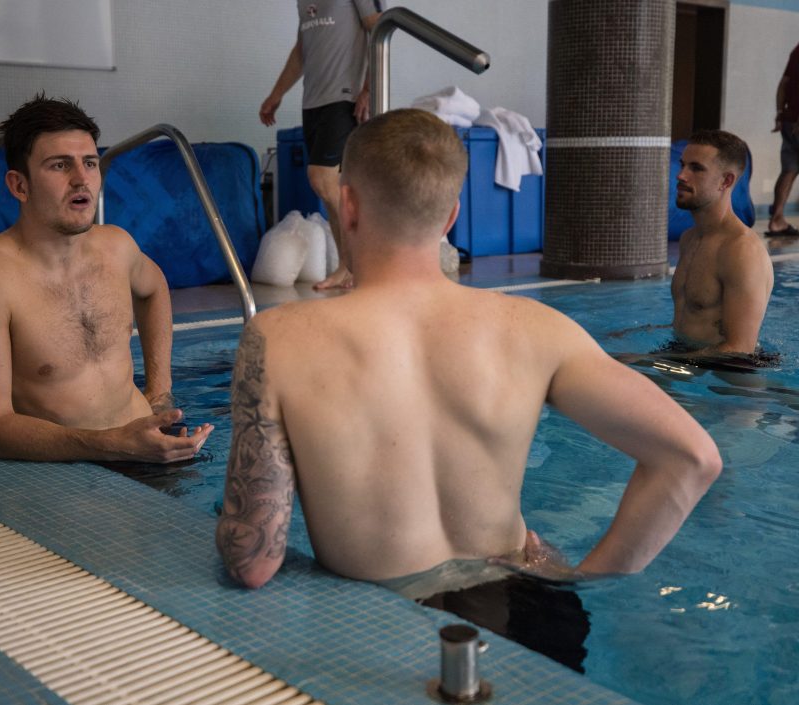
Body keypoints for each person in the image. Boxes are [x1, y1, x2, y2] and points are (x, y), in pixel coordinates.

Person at [216, 110, 722, 665]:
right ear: (452, 214)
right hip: (525, 614)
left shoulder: (279, 338)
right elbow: (692, 458)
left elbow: (253, 562)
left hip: (378, 632)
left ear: (350, 205)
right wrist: (580, 581)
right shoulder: (535, 328)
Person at [0, 94, 213, 463]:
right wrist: (113, 444)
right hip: (69, 473)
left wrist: (160, 392)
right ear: (19, 186)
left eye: (89, 163)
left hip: (151, 446)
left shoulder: (116, 247)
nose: (81, 179)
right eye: (59, 166)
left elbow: (154, 290)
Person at [259, 0, 385, 290]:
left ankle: (357, 265)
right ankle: (349, 267)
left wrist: (368, 88)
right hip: (313, 101)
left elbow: (379, 28)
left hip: (345, 97)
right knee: (335, 187)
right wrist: (276, 94)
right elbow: (301, 51)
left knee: (322, 179)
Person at [671, 130, 774, 356]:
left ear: (726, 181)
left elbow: (739, 349)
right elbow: (695, 316)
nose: (681, 175)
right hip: (689, 359)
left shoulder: (742, 251)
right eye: (682, 165)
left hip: (730, 376)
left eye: (696, 168)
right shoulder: (689, 238)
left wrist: (660, 364)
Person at [767, 42, 799, 237]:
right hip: (795, 120)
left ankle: (777, 219)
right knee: (789, 169)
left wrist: (780, 113)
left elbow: (783, 83)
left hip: (788, 119)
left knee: (789, 169)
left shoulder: (797, 50)